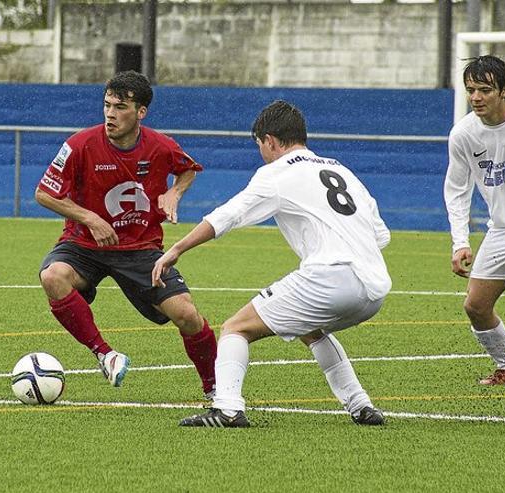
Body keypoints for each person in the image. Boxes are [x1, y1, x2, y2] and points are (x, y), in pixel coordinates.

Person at [153, 100, 391, 428]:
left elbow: (229, 214)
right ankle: (361, 405)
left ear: (270, 141)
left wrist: (177, 248)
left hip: (332, 277)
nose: (261, 153)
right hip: (375, 287)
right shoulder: (342, 171)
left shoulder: (277, 173)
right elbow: (381, 236)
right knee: (311, 329)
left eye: (260, 146)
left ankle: (227, 409)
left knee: (236, 328)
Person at [35, 70, 217, 396]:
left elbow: (188, 169)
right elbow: (44, 194)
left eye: (119, 108)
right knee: (53, 277)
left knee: (187, 315)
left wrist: (175, 193)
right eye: (106, 105)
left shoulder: (161, 146)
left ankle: (216, 391)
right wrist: (89, 217)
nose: (110, 114)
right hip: (83, 245)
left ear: (140, 112)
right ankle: (105, 354)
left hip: (140, 248)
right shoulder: (79, 145)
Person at [444, 55, 505, 386]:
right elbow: (456, 190)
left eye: (485, 89)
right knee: (476, 305)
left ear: (504, 91)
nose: (476, 98)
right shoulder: (463, 135)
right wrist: (460, 242)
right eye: (471, 90)